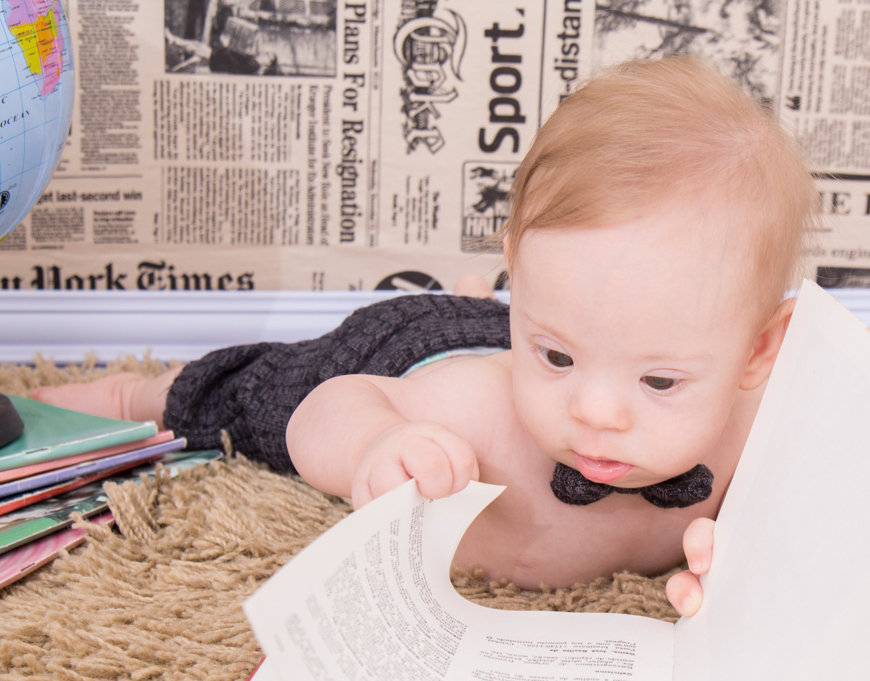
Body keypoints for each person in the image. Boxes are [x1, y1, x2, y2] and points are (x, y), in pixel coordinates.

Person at [32, 56, 818, 617]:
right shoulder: (470, 414)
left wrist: (750, 569)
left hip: (509, 328)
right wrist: (375, 445)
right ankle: (129, 388)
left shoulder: (769, 431)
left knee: (565, 335)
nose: (598, 413)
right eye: (558, 356)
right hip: (404, 358)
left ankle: (501, 316)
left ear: (756, 351)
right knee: (251, 394)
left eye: (659, 382)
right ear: (522, 270)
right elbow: (337, 401)